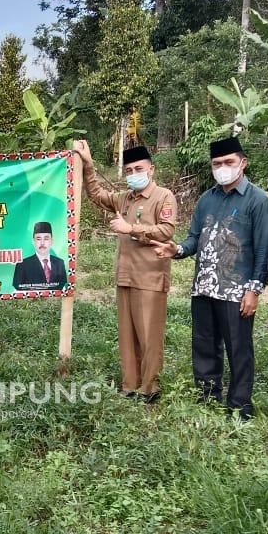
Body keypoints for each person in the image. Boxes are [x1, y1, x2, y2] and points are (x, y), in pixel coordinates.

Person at [152, 137, 268, 418]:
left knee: (239, 349)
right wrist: (178, 249)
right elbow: (196, 237)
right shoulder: (207, 199)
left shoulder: (258, 201)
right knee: (204, 344)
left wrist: (254, 290)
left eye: (229, 162)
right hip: (204, 286)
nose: (223, 168)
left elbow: (264, 248)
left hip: (236, 290)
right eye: (217, 163)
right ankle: (207, 398)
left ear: (242, 163)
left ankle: (240, 406)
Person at [75, 140, 177, 402]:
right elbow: (97, 195)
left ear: (151, 170)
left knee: (148, 335)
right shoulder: (124, 199)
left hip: (150, 276)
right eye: (129, 171)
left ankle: (150, 388)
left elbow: (166, 230)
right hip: (125, 274)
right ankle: (130, 384)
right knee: (127, 333)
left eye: (138, 169)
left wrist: (131, 229)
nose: (133, 175)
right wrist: (88, 164)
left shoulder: (163, 196)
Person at [12, 221, 68, 289]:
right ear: (33, 241)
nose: (42, 243)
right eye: (38, 239)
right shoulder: (22, 265)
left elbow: (63, 284)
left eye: (46, 239)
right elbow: (18, 286)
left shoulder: (59, 263)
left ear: (52, 241)